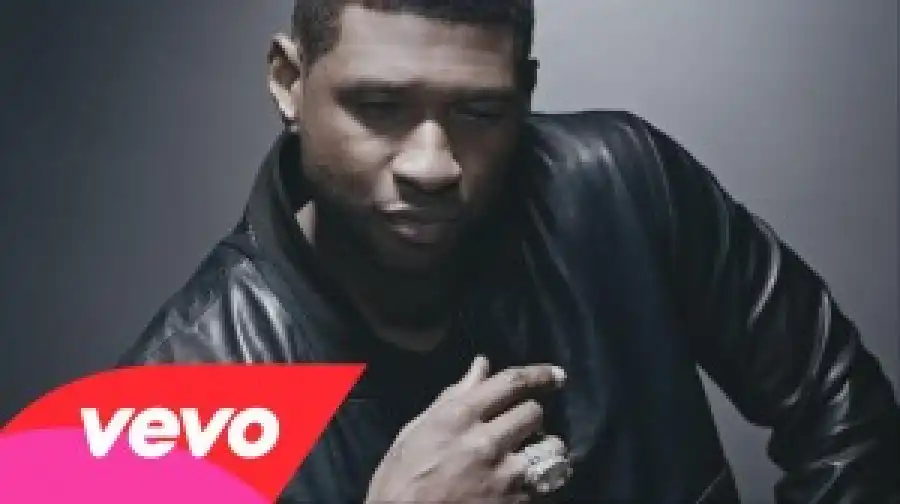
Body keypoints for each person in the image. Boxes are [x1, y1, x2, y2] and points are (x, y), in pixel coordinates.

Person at [118, 1, 900, 502]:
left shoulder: (622, 182)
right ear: (290, 80)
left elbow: (849, 420)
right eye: (380, 105)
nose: (432, 165)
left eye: (479, 112)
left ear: (524, 92)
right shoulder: (171, 399)